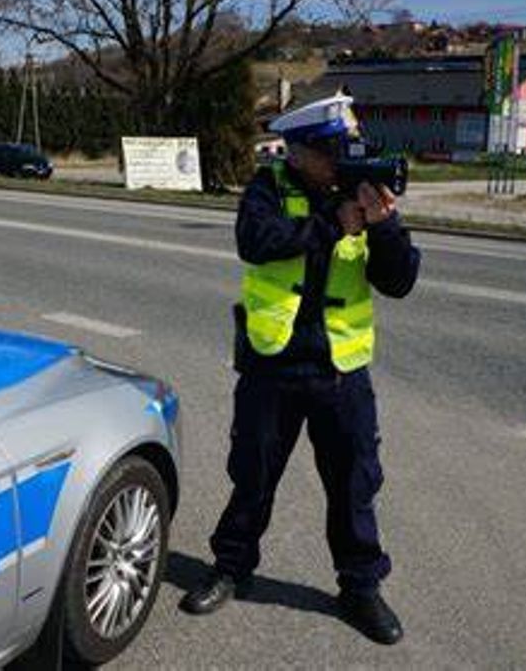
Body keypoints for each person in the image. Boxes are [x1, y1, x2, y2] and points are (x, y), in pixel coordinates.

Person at [179, 92, 420, 645]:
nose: (342, 160)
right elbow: (256, 243)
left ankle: (360, 588)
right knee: (253, 477)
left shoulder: (362, 192)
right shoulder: (269, 188)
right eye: (332, 151)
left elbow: (401, 280)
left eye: (347, 148)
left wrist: (382, 226)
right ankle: (231, 569)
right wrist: (333, 224)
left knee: (355, 484)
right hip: (273, 366)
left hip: (341, 370)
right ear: (299, 152)